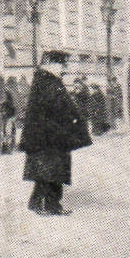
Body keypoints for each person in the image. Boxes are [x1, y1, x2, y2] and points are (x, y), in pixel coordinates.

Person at [19, 66, 91, 215]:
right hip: (52, 136)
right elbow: (60, 107)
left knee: (43, 172)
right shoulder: (51, 83)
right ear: (53, 64)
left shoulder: (42, 81)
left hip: (43, 136)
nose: (64, 69)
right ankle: (50, 206)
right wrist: (73, 119)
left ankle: (36, 203)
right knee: (53, 172)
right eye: (62, 65)